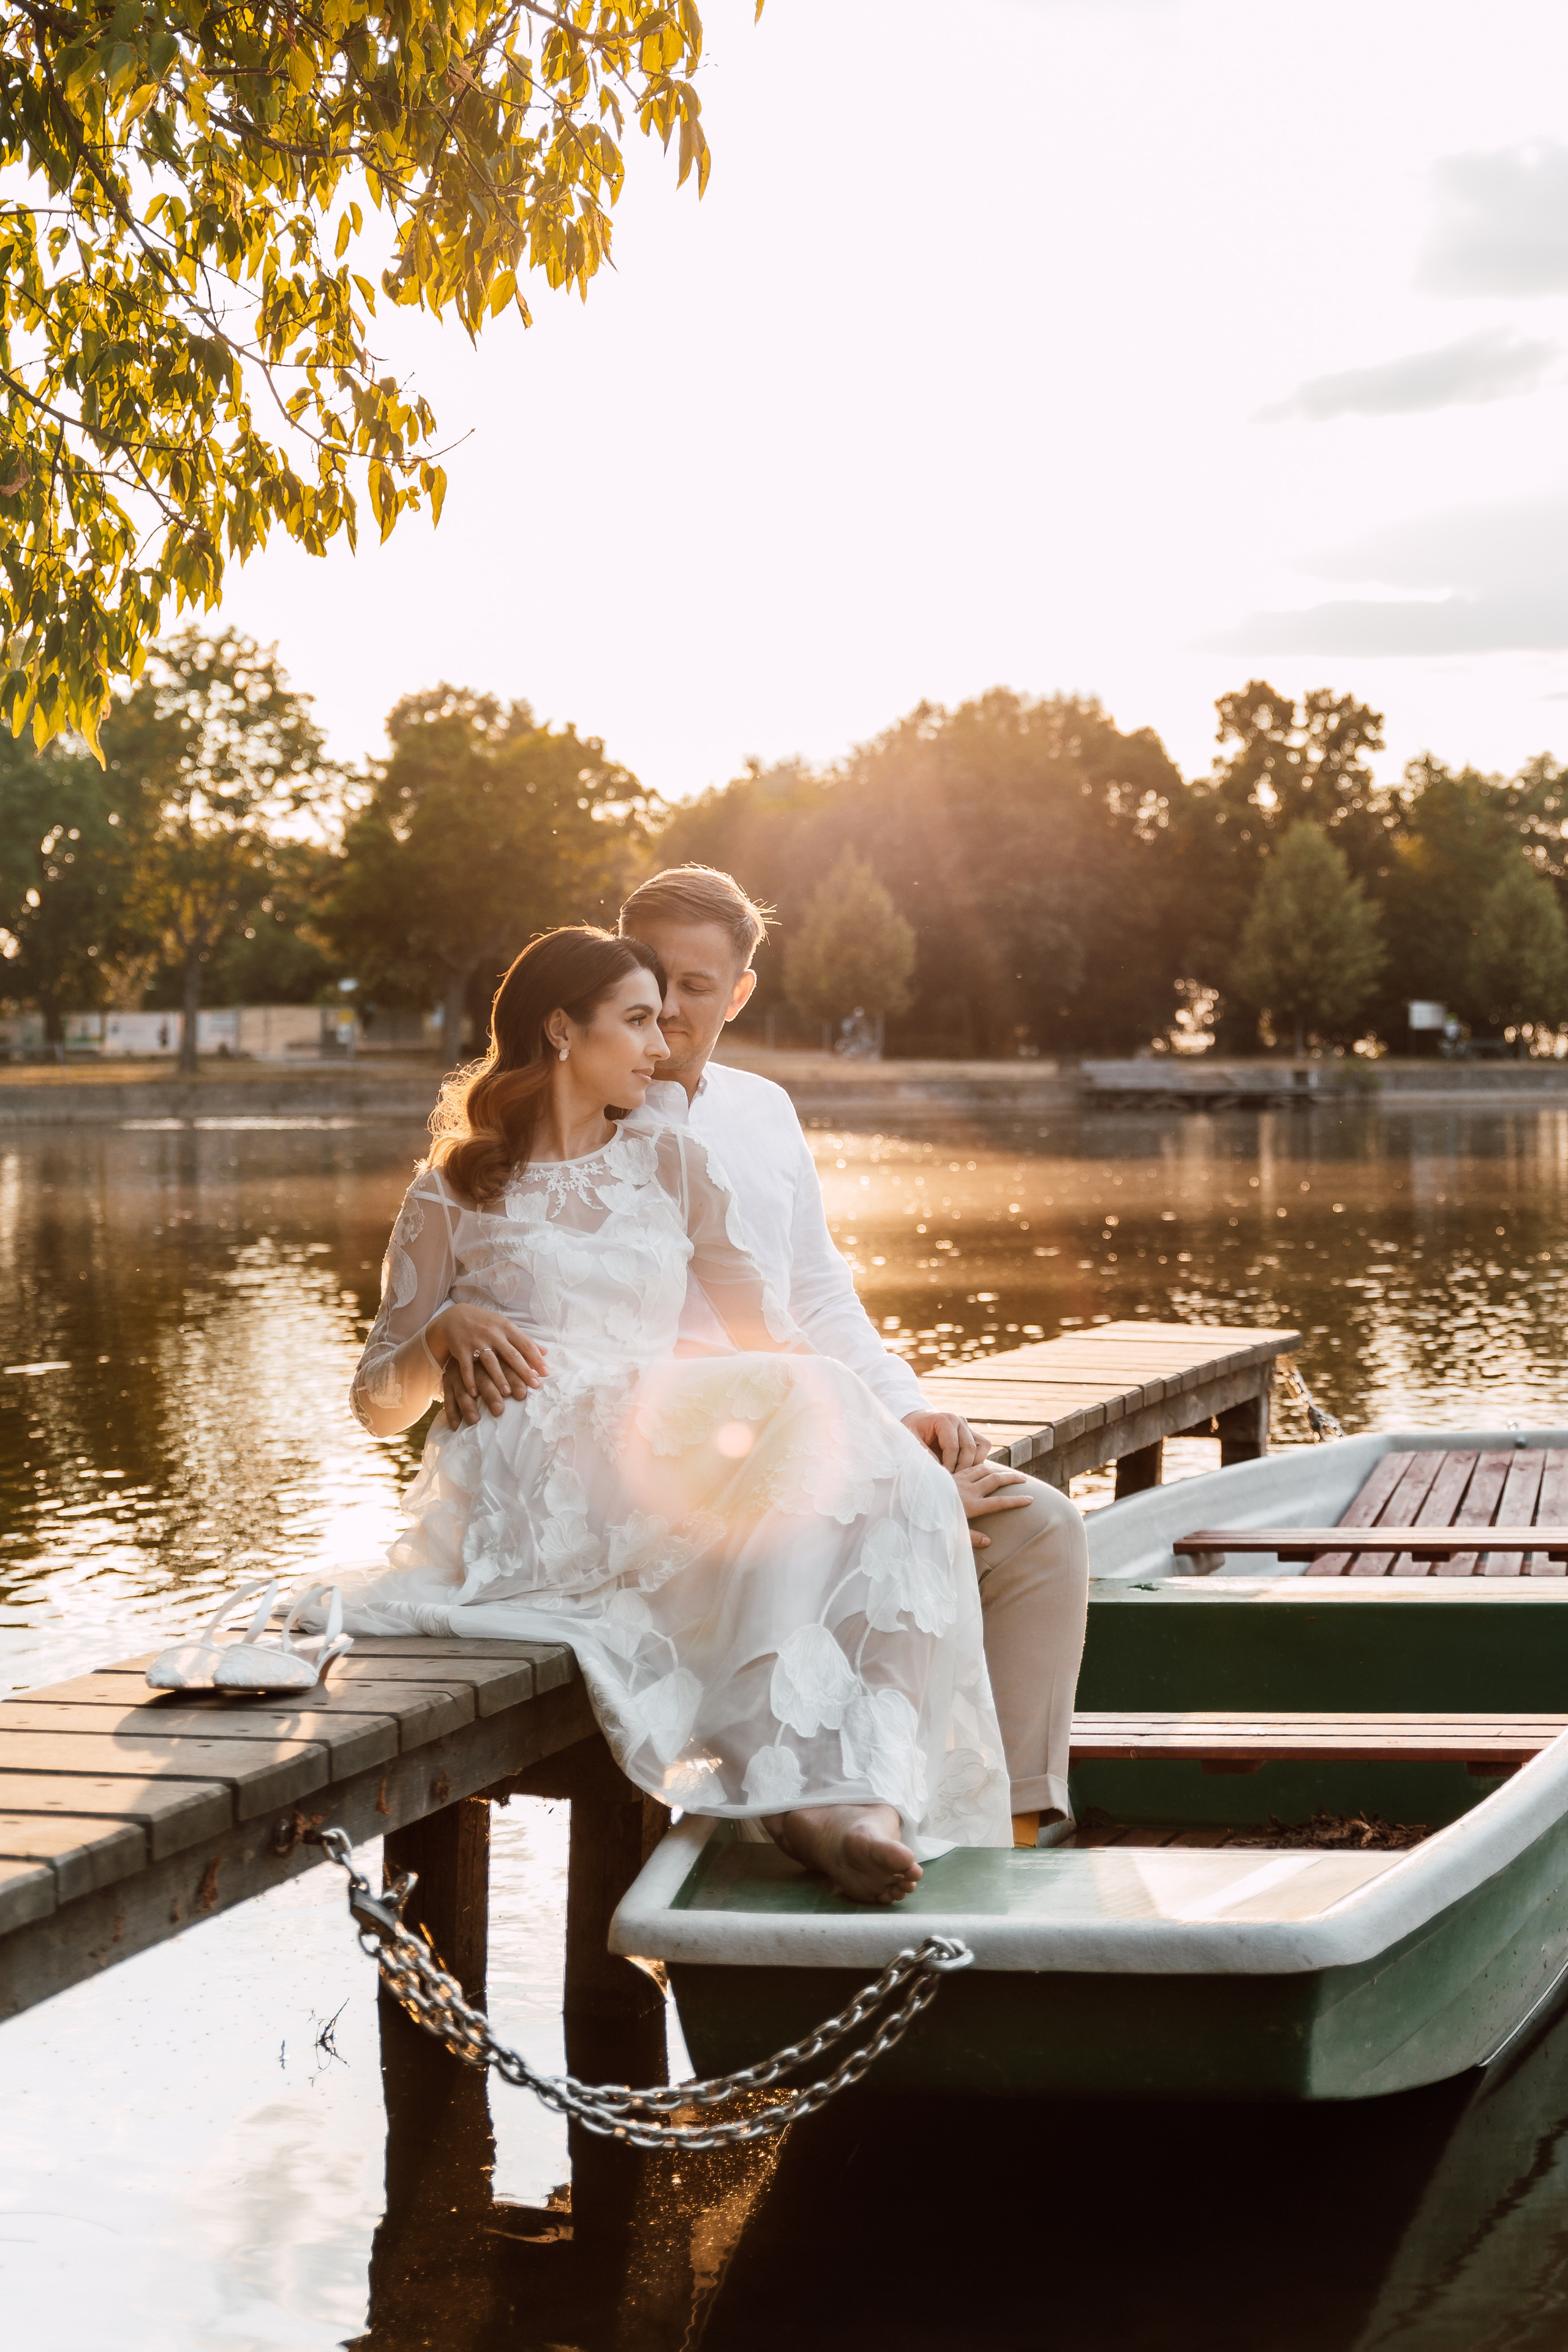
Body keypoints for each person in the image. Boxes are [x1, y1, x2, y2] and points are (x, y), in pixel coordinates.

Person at [342, 924, 1012, 1905]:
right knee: (826, 1440)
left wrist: (900, 1443)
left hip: (644, 1449)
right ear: (561, 1029)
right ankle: (795, 1791)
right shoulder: (451, 1190)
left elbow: (781, 1344)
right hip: (525, 1493)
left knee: (860, 1452)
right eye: (638, 1020)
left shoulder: (674, 1165)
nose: (662, 1046)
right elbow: (375, 1405)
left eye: (663, 1020)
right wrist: (440, 1334)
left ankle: (851, 1793)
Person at [441, 864, 1090, 1848]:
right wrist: (447, 1317)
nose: (669, 1008)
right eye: (651, 977)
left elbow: (817, 1296)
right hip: (660, 1469)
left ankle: (1009, 1832)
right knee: (896, 1522)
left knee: (1039, 1529)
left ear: (741, 993)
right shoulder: (567, 1122)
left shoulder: (761, 1111)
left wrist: (904, 1415)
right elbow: (491, 1273)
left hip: (794, 1422)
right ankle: (815, 1800)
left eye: (697, 987)